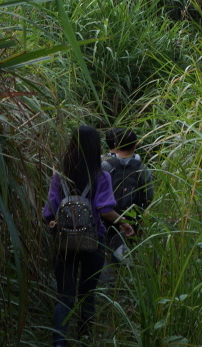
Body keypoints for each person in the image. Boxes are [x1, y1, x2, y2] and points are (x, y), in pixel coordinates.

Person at [42, 125, 133, 346]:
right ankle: (84, 338)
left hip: (64, 242)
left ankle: (59, 343)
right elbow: (104, 209)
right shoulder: (100, 176)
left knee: (65, 296)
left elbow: (48, 212)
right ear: (95, 148)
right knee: (87, 295)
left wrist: (53, 222)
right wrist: (123, 222)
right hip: (93, 241)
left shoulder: (60, 176)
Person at [102, 127, 154, 264]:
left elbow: (98, 196)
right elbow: (149, 196)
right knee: (128, 258)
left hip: (108, 220)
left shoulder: (105, 165)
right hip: (133, 220)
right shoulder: (141, 168)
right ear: (135, 146)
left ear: (116, 145)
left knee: (106, 259)